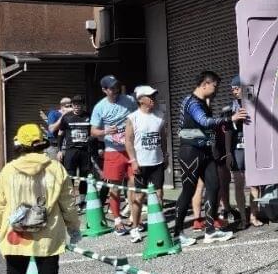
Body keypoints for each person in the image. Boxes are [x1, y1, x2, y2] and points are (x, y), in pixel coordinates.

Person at [0, 123, 80, 274]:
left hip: (16, 233)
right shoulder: (55, 168)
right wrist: (73, 227)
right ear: (42, 143)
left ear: (19, 144)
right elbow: (68, 202)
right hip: (46, 232)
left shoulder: (9, 169)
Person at [173, 71, 247, 245]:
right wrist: (230, 118)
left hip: (205, 151)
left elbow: (207, 128)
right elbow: (204, 122)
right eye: (215, 86)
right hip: (190, 151)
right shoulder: (191, 102)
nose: (216, 90)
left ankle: (210, 230)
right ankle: (177, 234)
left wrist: (213, 143)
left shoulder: (203, 102)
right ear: (205, 84)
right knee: (188, 190)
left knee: (214, 186)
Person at [90, 75, 137, 233]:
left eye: (116, 86)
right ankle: (117, 221)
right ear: (104, 90)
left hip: (131, 149)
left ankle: (134, 218)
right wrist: (105, 131)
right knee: (115, 187)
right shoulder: (100, 107)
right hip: (113, 151)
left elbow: (138, 116)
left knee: (133, 184)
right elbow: (93, 131)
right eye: (111, 88)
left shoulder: (129, 100)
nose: (115, 90)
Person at [124, 85, 167, 243]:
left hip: (157, 161)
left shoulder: (160, 115)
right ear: (141, 100)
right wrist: (133, 161)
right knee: (140, 196)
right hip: (141, 163)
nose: (153, 99)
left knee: (159, 195)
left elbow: (163, 138)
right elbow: (128, 141)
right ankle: (135, 228)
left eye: (154, 96)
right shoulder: (133, 117)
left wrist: (166, 155)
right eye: (150, 96)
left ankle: (157, 225)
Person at [228, 76, 263, 227]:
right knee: (239, 184)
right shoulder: (231, 107)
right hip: (238, 148)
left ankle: (253, 216)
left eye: (236, 88)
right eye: (232, 89)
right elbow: (227, 130)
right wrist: (234, 119)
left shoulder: (254, 103)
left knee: (255, 184)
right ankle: (243, 218)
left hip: (252, 147)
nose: (234, 92)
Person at [58, 95, 91, 208]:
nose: (77, 106)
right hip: (71, 150)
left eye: (79, 104)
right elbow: (60, 134)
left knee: (84, 176)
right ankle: (70, 201)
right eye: (75, 104)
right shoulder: (67, 117)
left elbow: (93, 132)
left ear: (83, 105)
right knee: (70, 176)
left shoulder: (88, 116)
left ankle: (82, 201)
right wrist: (59, 150)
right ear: (72, 105)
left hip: (85, 151)